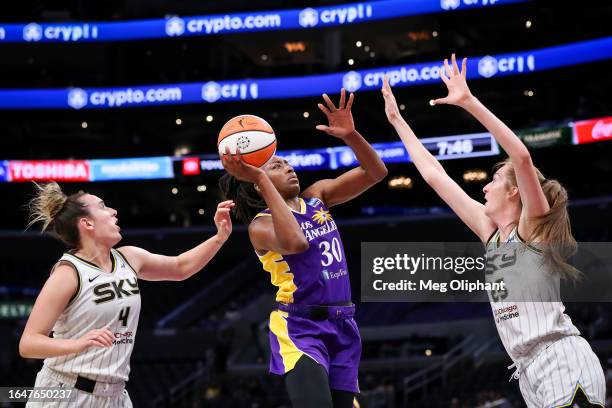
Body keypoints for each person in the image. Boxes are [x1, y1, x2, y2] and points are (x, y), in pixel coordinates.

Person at [381, 55, 605, 407]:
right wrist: (396, 121)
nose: (485, 187)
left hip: (561, 358)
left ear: (515, 192)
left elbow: (521, 158)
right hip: (528, 370)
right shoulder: (492, 235)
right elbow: (435, 176)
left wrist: (469, 101)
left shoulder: (533, 229)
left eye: (494, 180)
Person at [219, 88, 387, 408]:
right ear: (257, 183)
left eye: (286, 162)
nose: (288, 166)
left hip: (344, 323)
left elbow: (376, 172)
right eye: (276, 166)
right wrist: (262, 179)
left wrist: (351, 136)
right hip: (300, 326)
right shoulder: (261, 225)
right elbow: (296, 243)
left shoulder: (317, 196)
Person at [19, 181, 233, 407]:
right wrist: (77, 344)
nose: (113, 212)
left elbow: (180, 267)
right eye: (103, 207)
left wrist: (219, 237)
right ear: (87, 223)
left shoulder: (129, 257)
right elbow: (29, 343)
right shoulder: (68, 273)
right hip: (65, 390)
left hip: (115, 395)